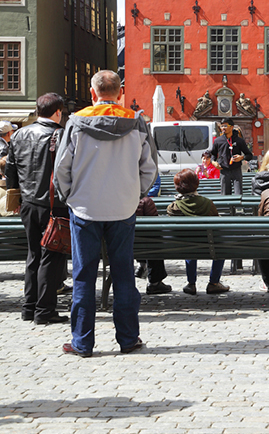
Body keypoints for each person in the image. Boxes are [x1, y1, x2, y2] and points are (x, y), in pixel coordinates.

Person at [54, 70, 157, 358]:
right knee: (124, 273)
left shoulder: (76, 123)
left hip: (85, 207)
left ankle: (82, 342)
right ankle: (128, 338)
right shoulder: (135, 122)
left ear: (92, 92)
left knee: (84, 275)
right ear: (120, 92)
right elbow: (150, 169)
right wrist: (135, 193)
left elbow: (62, 168)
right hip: (123, 208)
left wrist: (70, 196)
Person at [5, 93, 68, 325]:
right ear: (58, 112)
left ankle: (28, 307)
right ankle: (44, 310)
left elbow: (10, 169)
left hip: (28, 204)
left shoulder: (20, 134)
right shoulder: (59, 135)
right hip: (53, 205)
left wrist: (16, 194)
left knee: (33, 255)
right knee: (52, 257)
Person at [166, 169, 229, 295]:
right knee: (220, 243)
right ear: (196, 184)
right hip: (210, 247)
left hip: (184, 247)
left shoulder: (173, 208)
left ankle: (191, 283)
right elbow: (217, 228)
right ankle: (214, 283)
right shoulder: (207, 204)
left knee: (189, 243)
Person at [135, 196, 172, 294]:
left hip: (123, 245)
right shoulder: (145, 201)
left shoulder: (114, 202)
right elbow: (155, 228)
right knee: (154, 240)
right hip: (146, 246)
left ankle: (141, 265)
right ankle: (155, 283)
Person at [211, 118, 253, 195]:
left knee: (238, 194)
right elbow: (213, 154)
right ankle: (227, 207)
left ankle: (238, 207)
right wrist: (214, 162)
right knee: (225, 195)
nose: (223, 128)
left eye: (226, 126)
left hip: (236, 170)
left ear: (231, 127)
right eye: (222, 126)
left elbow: (249, 155)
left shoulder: (239, 141)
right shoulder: (218, 141)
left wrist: (242, 157)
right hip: (224, 170)